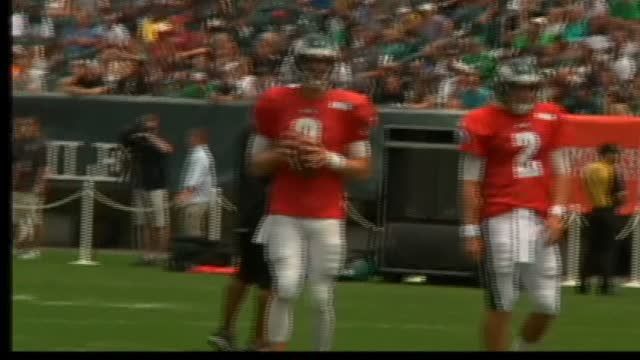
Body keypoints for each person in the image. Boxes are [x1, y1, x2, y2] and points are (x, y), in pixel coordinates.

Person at [249, 33, 377, 351]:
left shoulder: (351, 105)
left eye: (324, 62)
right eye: (312, 61)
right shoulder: (275, 101)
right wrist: (282, 153)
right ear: (298, 63)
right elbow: (256, 164)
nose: (318, 68)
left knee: (321, 296)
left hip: (327, 212)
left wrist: (328, 158)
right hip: (285, 210)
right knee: (287, 286)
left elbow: (363, 167)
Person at [459, 57, 571, 351]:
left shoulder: (551, 115)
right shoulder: (481, 120)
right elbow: (470, 179)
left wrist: (558, 213)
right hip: (500, 216)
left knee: (549, 304)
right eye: (518, 88)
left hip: (539, 217)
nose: (525, 94)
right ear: (503, 88)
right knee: (502, 302)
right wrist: (470, 229)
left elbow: (562, 169)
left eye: (530, 88)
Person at [207, 126, 272, 352]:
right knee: (269, 281)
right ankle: (259, 340)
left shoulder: (249, 132)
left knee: (244, 274)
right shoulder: (273, 132)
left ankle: (226, 331)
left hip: (247, 210)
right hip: (268, 212)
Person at [120, 114, 174, 266]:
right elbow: (124, 139)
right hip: (142, 184)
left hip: (157, 186)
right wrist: (139, 133)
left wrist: (151, 137)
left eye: (152, 127)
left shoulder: (157, 141)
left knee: (160, 223)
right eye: (147, 127)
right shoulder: (139, 141)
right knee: (146, 223)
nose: (149, 130)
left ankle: (161, 255)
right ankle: (148, 255)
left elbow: (167, 150)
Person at [579, 144, 627, 295]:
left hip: (594, 211)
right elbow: (620, 196)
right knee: (607, 249)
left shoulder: (588, 169)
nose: (617, 157)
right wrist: (620, 202)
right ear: (607, 154)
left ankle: (583, 283)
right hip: (608, 211)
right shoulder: (612, 170)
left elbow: (586, 186)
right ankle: (606, 284)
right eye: (615, 154)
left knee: (591, 249)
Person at [13, 116, 47, 259]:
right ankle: (20, 246)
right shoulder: (16, 143)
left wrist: (38, 186)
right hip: (17, 187)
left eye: (27, 126)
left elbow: (41, 167)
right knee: (19, 220)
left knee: (32, 219)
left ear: (35, 128)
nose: (23, 129)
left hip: (30, 187)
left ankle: (33, 249)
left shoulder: (39, 145)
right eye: (21, 126)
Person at [175, 128, 215, 238]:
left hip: (196, 201)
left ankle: (196, 254)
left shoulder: (201, 156)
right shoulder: (197, 154)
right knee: (192, 230)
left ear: (198, 139)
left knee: (192, 232)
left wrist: (185, 195)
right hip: (194, 200)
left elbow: (196, 178)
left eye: (191, 137)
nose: (188, 140)